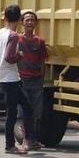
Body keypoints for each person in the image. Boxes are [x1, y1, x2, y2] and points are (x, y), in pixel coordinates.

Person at [0, 5, 34, 154]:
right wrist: (20, 55)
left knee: (25, 107)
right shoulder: (13, 36)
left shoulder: (1, 32)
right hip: (9, 78)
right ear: (19, 19)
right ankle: (10, 145)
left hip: (6, 77)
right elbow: (9, 57)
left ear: (5, 18)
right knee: (13, 112)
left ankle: (29, 139)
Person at [18, 11, 47, 150]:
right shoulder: (17, 40)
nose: (29, 23)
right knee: (24, 111)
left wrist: (41, 78)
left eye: (32, 20)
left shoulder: (40, 42)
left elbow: (43, 61)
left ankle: (33, 140)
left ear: (36, 23)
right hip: (22, 80)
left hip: (36, 81)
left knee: (37, 112)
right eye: (27, 20)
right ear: (22, 22)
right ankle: (25, 140)